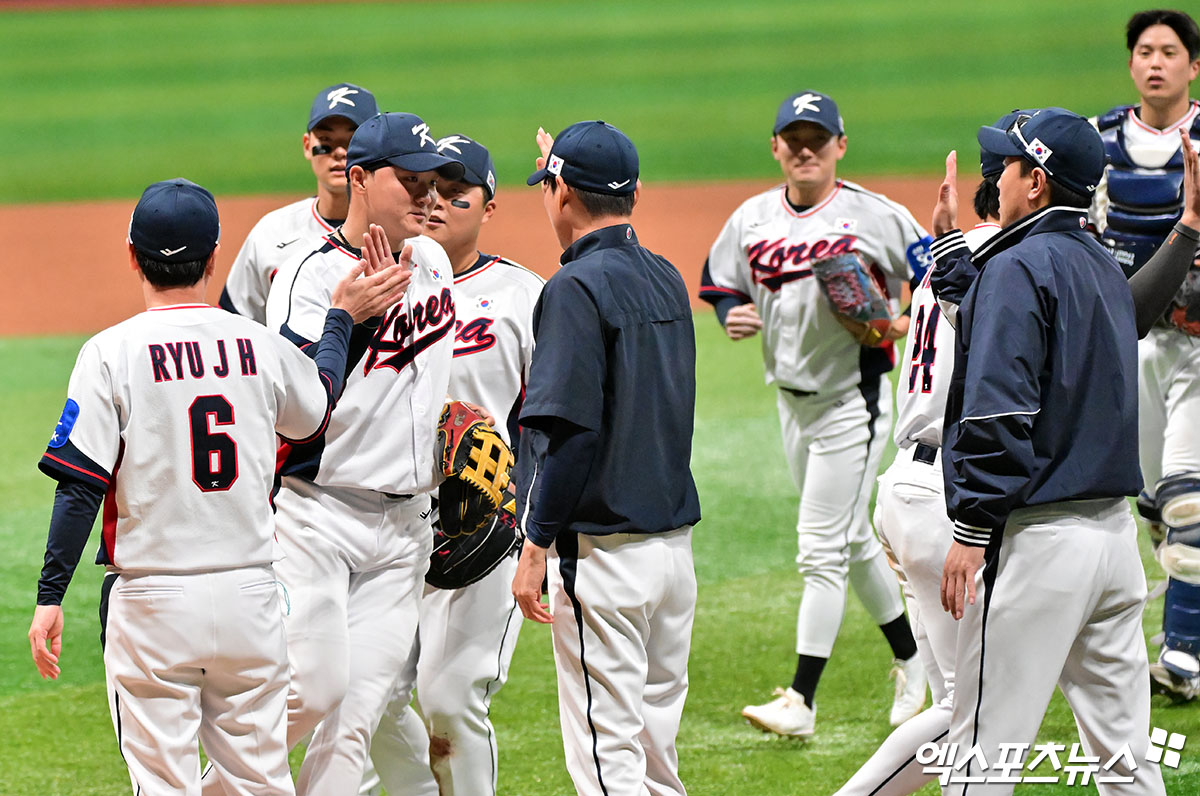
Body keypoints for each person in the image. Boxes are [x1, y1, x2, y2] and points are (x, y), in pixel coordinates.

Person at [27, 178, 408, 795]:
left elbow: (80, 485)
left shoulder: (109, 353)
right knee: (259, 782)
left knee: (164, 785)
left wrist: (51, 596)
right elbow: (317, 408)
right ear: (213, 259)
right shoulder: (258, 345)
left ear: (132, 257)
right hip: (250, 598)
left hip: (152, 603)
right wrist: (343, 320)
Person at [935, 107, 1166, 796]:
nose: (995, 179)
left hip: (1040, 546)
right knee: (1127, 763)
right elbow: (1010, 326)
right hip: (1114, 546)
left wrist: (971, 529)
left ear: (1035, 181)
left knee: (980, 759)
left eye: (1006, 165)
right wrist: (952, 256)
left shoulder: (1017, 266)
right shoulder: (1101, 264)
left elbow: (999, 410)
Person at [698, 89, 928, 737]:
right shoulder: (751, 219)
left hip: (853, 402)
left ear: (839, 147)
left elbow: (939, 273)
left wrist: (901, 321)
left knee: (821, 549)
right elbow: (718, 281)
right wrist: (730, 312)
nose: (805, 151)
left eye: (817, 140)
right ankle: (916, 659)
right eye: (793, 140)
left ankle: (801, 701)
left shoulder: (875, 215)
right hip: (791, 404)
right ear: (775, 147)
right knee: (850, 540)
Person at [260, 111, 466, 796]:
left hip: (405, 533)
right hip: (317, 520)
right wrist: (346, 321)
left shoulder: (432, 262)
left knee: (353, 724)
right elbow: (293, 410)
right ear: (359, 180)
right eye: (409, 180)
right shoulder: (309, 274)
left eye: (434, 182)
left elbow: (420, 386)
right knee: (310, 691)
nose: (428, 197)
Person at [511, 120, 702, 796]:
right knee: (655, 762)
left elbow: (571, 434)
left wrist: (535, 543)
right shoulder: (666, 277)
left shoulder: (573, 290)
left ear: (561, 194)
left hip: (603, 561)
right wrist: (567, 175)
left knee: (607, 766)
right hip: (672, 557)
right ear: (636, 194)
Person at [832, 112, 1012, 796]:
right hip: (949, 499)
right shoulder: (1009, 265)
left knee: (955, 703)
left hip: (907, 491)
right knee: (973, 709)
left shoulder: (951, 257)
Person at [367, 134, 544, 796]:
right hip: (386, 529)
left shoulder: (524, 295)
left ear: (489, 207)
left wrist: (535, 526)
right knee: (369, 695)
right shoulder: (379, 285)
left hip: (486, 524)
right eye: (426, 188)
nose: (436, 202)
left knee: (450, 698)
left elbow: (553, 421)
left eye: (456, 192)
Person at [1089, 8, 1200, 700]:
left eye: (1170, 51)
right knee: (1156, 506)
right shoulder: (1097, 140)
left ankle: (1181, 657)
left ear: (1193, 65)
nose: (1156, 62)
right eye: (1145, 51)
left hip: (1197, 352)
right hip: (1128, 347)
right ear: (1131, 63)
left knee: (1188, 506)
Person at [219, 82, 379, 323]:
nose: (339, 152)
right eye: (326, 140)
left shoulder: (401, 231)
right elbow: (234, 323)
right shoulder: (271, 233)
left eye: (352, 141)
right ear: (307, 145)